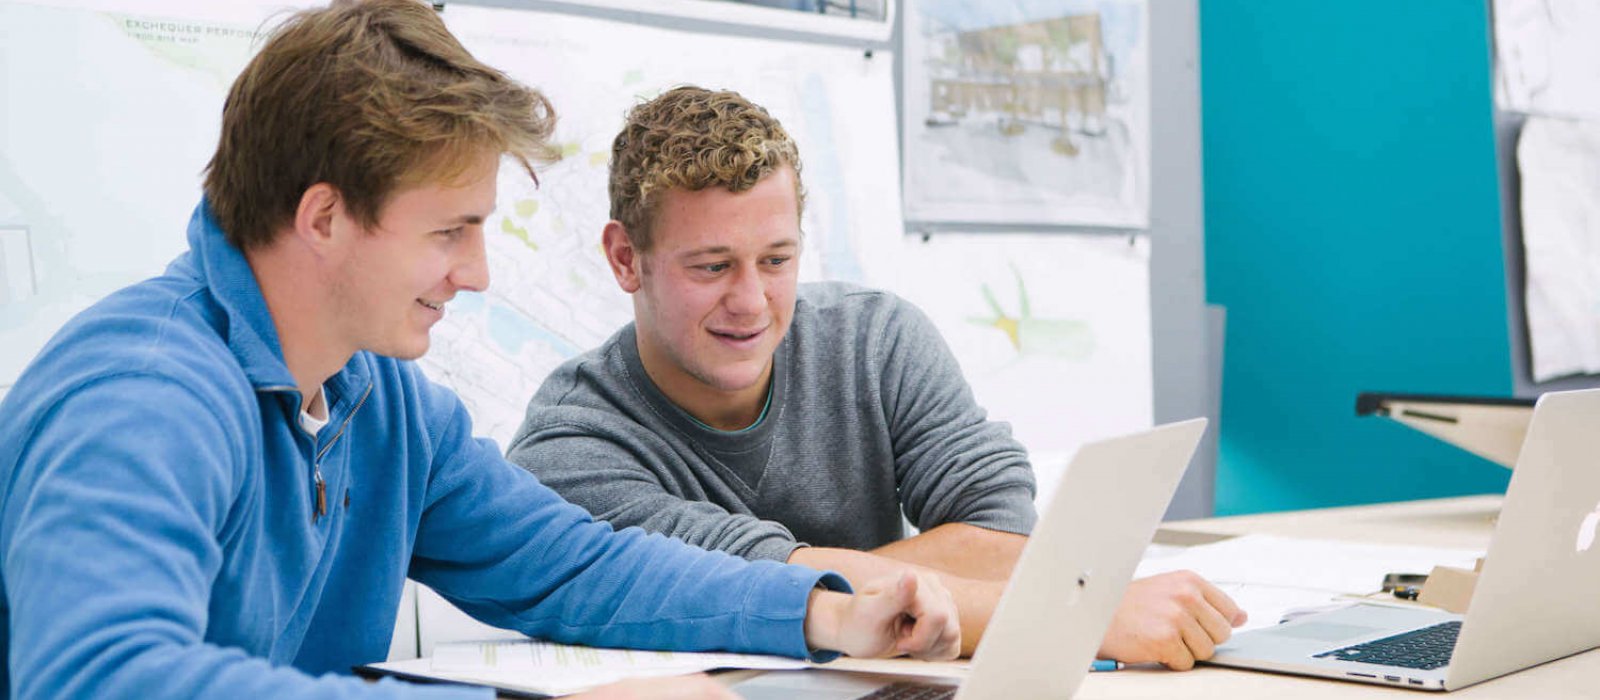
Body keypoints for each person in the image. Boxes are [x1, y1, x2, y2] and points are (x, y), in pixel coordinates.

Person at [0, 3, 962, 698]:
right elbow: (100, 675)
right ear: (325, 217)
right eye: (450, 231)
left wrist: (822, 614)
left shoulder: (379, 401)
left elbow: (574, 568)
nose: (478, 272)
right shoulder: (141, 395)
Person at [506, 85, 1247, 666]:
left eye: (776, 260)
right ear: (624, 258)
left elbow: (1002, 531)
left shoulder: (875, 339)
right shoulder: (572, 445)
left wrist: (830, 585)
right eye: (711, 266)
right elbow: (751, 590)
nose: (751, 301)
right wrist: (1081, 615)